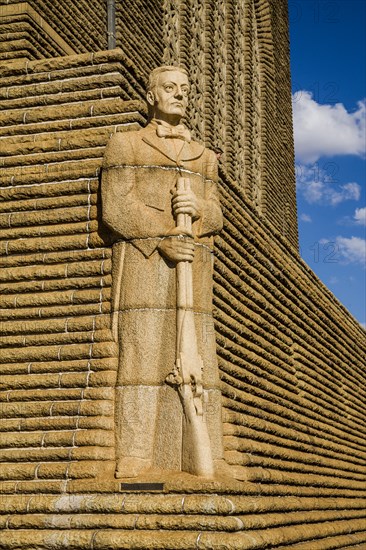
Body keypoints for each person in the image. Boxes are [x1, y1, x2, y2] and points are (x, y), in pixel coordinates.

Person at [102, 66, 224, 479]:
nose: (178, 95)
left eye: (185, 90)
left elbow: (218, 212)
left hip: (193, 262)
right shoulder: (126, 144)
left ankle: (208, 453)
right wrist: (160, 235)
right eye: (169, 88)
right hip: (144, 260)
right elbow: (116, 206)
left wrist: (198, 211)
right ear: (152, 95)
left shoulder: (205, 156)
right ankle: (135, 452)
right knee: (142, 352)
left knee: (198, 355)